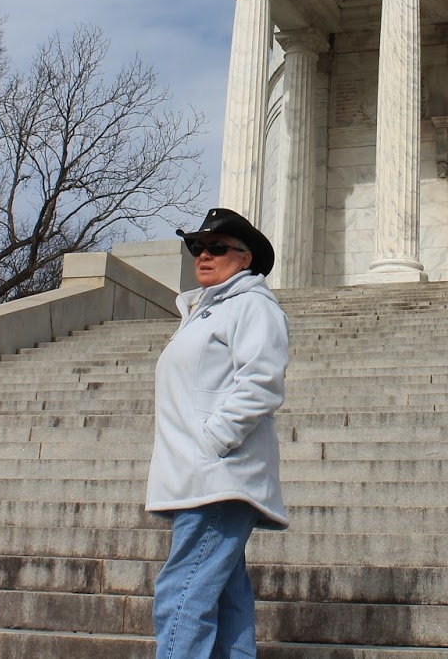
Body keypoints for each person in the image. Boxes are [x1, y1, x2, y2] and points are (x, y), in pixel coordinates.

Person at [146, 207, 290, 658]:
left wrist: (213, 442)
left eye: (217, 248)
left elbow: (262, 382)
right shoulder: (204, 310)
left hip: (217, 477)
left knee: (181, 595)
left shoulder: (251, 305)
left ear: (245, 258)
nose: (204, 255)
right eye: (197, 247)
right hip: (197, 476)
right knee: (227, 600)